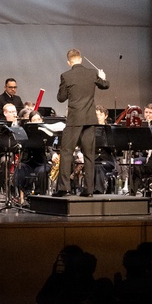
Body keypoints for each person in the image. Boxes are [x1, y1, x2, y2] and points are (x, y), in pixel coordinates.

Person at [54, 48, 109, 197]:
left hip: (74, 119)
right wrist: (102, 76)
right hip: (90, 119)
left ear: (68, 62)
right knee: (89, 154)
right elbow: (106, 85)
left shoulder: (66, 75)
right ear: (81, 59)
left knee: (66, 152)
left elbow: (61, 97)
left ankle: (63, 188)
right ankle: (89, 190)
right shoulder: (92, 73)